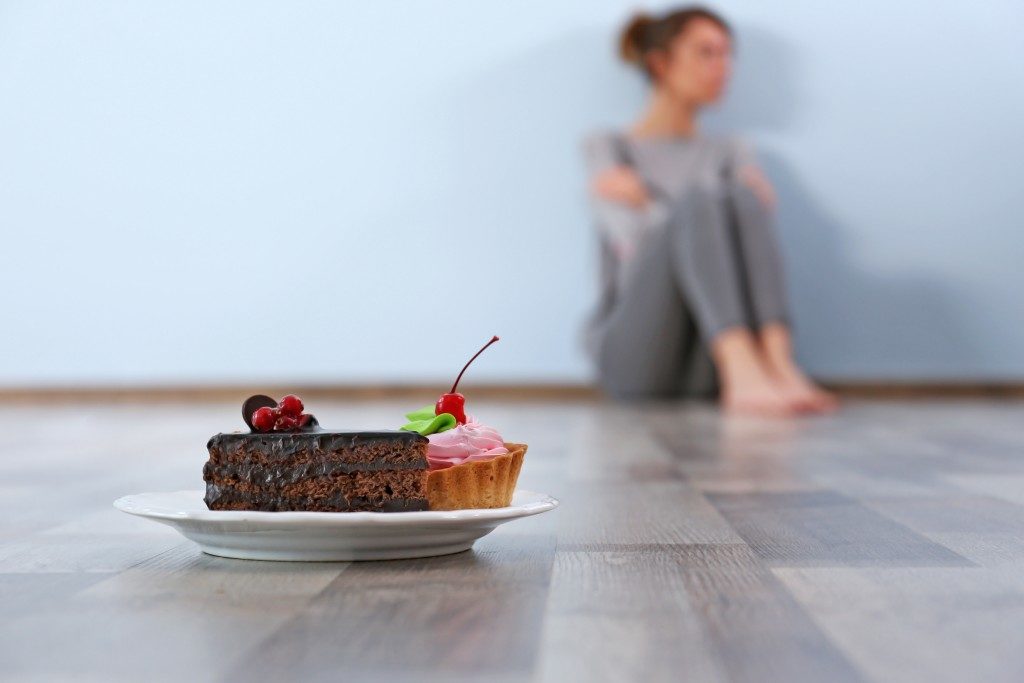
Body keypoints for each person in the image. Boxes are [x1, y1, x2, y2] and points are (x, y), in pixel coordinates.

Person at [583, 6, 836, 416]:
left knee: (743, 197)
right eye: (707, 53)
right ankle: (742, 365)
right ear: (660, 63)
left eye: (727, 54)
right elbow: (633, 242)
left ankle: (776, 361)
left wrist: (652, 201)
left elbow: (741, 258)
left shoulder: (731, 150)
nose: (724, 67)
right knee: (705, 199)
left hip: (705, 359)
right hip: (635, 357)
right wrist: (698, 214)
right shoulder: (609, 146)